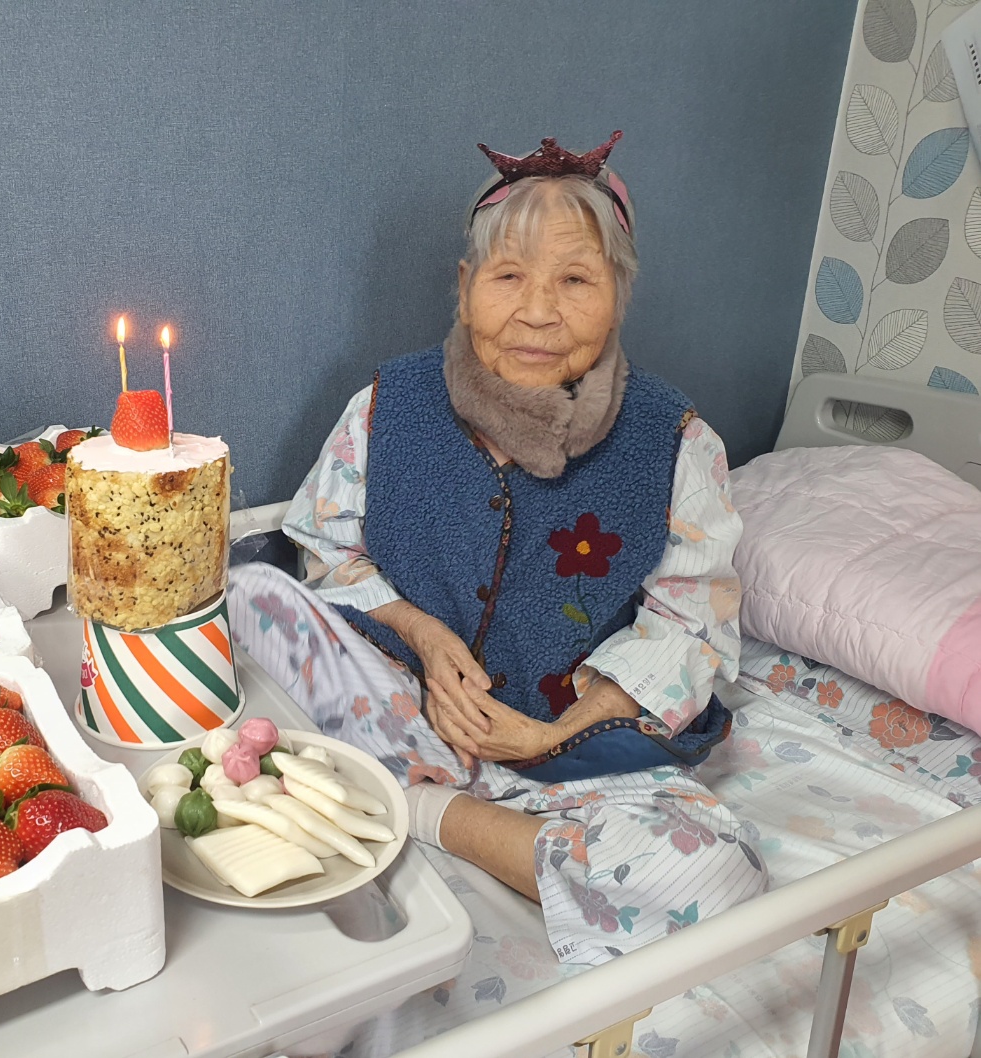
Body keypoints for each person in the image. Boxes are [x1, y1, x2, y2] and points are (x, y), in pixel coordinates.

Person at [228, 132, 766, 965]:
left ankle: (422, 812)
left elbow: (688, 627)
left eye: (576, 281)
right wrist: (421, 635)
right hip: (396, 707)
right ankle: (400, 779)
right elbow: (327, 555)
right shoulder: (386, 405)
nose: (538, 312)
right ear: (464, 286)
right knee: (247, 598)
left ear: (619, 297)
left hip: (572, 751)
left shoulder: (676, 442)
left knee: (719, 876)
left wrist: (551, 735)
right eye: (508, 276)